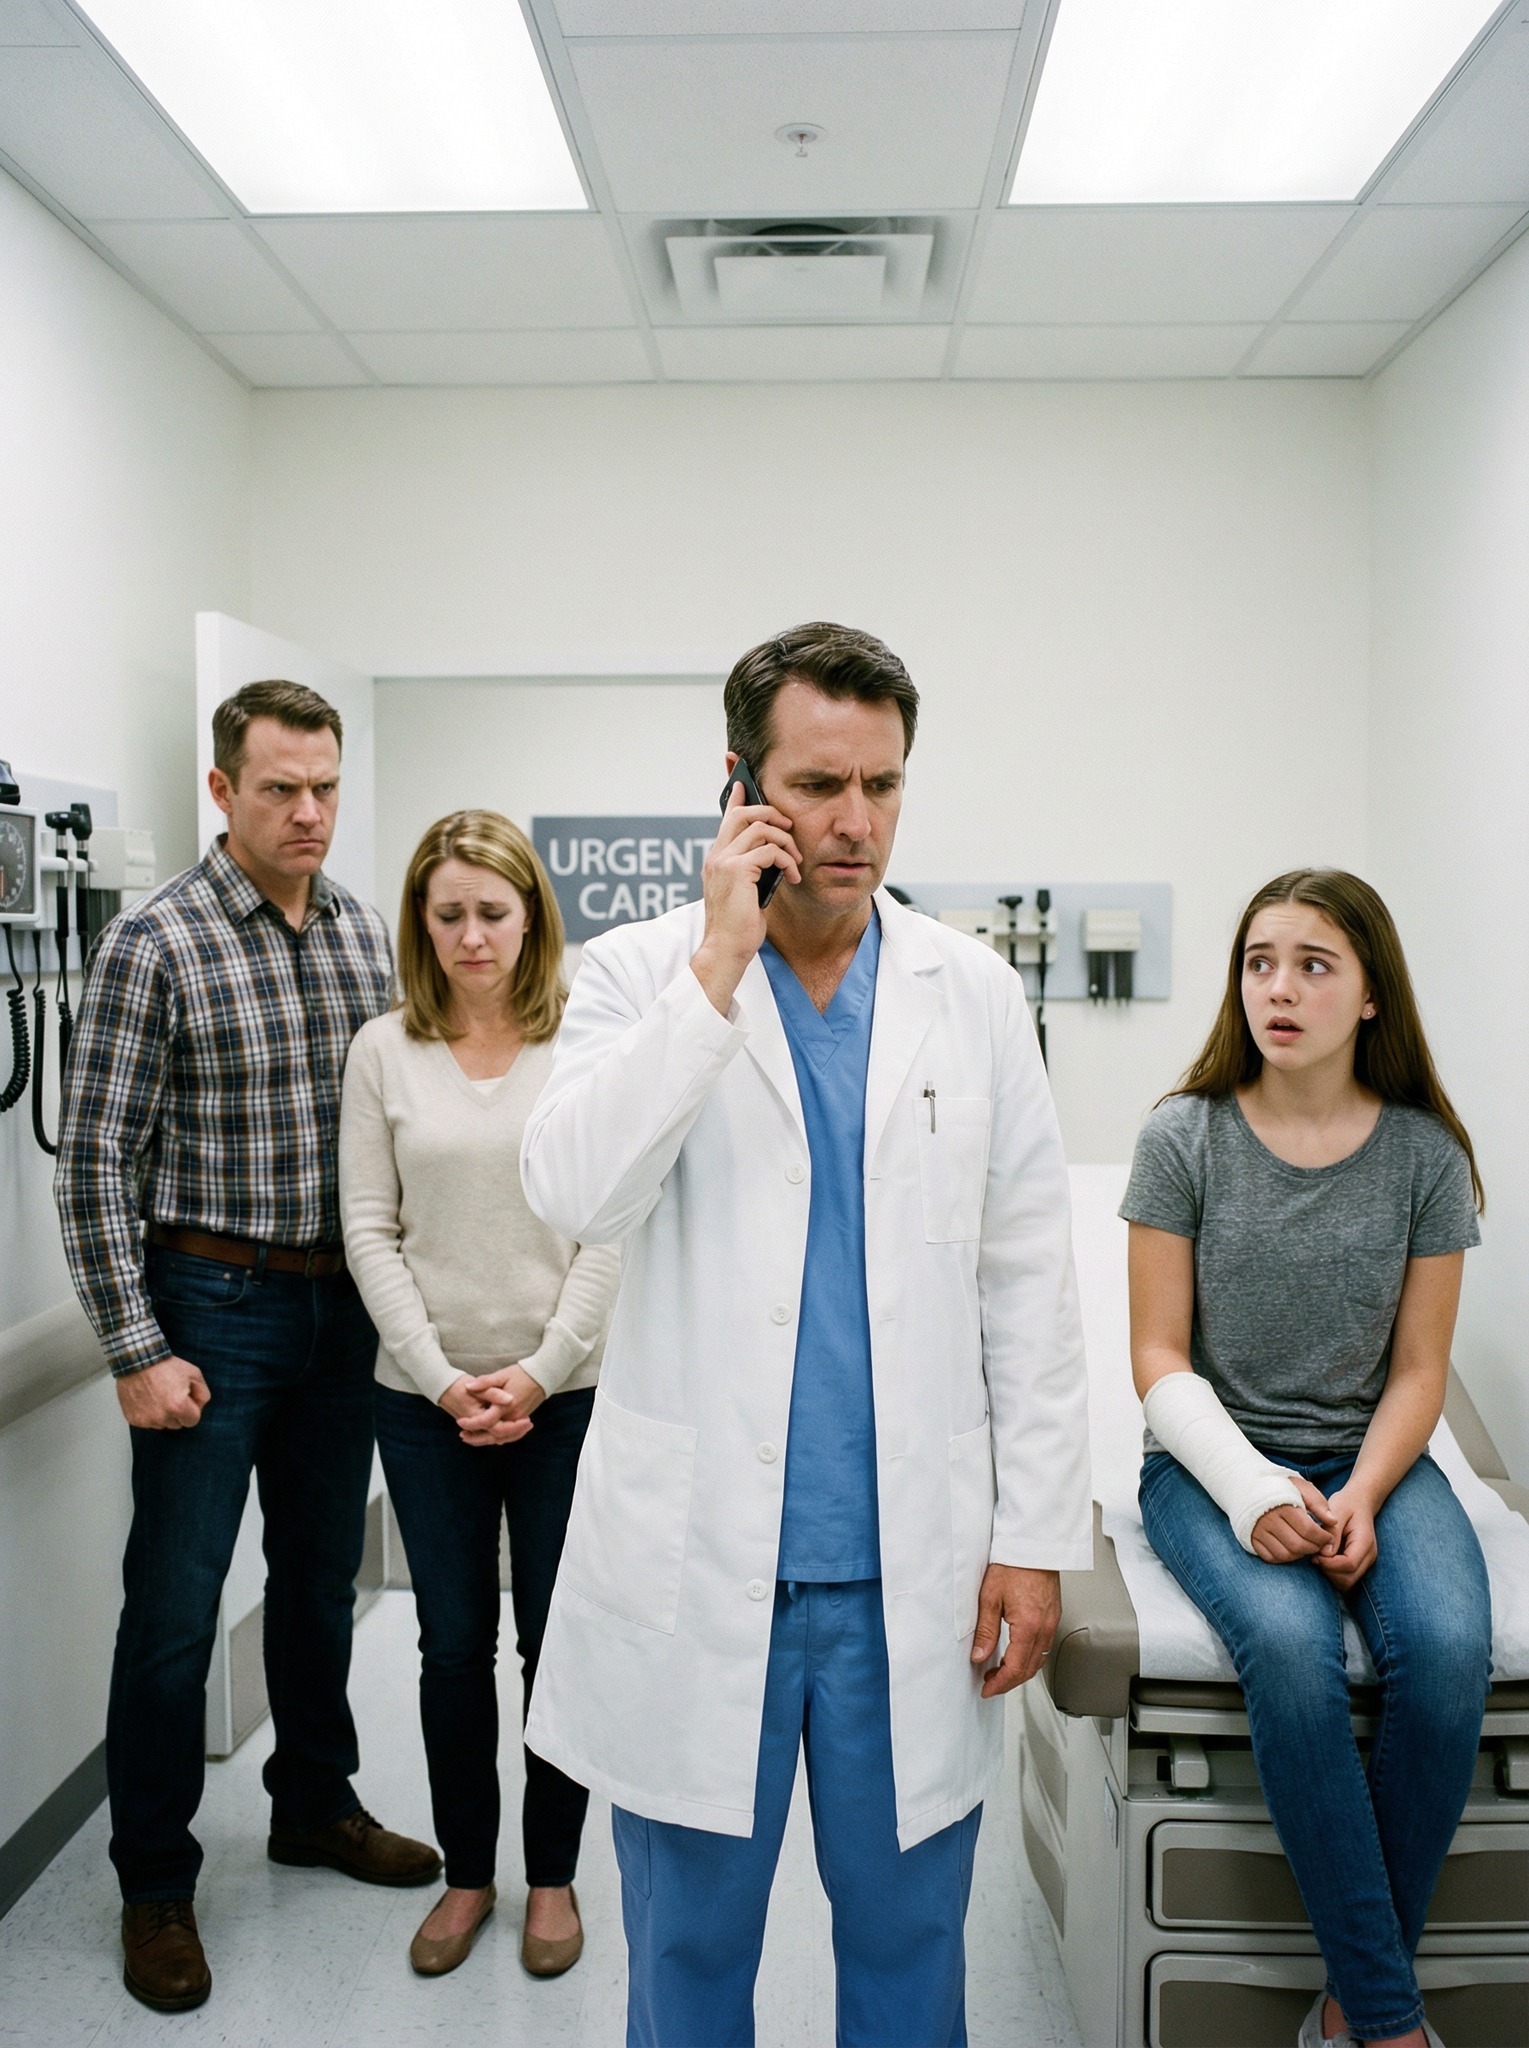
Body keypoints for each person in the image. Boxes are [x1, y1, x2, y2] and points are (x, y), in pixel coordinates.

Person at [519, 622, 1092, 2048]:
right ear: (739, 785)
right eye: (819, 785)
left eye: (881, 786)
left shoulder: (973, 993)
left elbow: (1028, 1279)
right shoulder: (638, 975)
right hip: (701, 1566)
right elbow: (576, 1192)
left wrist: (1033, 1535)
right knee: (689, 1955)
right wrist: (715, 965)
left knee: (908, 1952)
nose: (855, 822)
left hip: (909, 1574)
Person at [54, 680, 439, 2016]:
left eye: (325, 786)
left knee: (320, 1581)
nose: (309, 812)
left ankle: (313, 1802)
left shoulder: (360, 932)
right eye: (280, 788)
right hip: (208, 1306)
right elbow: (94, 1162)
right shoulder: (154, 941)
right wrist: (133, 1346)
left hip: (340, 1311)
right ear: (223, 790)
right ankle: (155, 1881)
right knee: (175, 1608)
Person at [1122, 869, 1490, 2048]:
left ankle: (1348, 1996)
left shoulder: (1425, 1155)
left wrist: (1363, 1495)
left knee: (1446, 1650)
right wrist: (1247, 1489)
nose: (1276, 988)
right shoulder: (1183, 1136)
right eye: (1258, 962)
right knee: (1289, 1650)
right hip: (1207, 1464)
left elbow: (1418, 1372)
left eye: (1312, 964)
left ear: (1370, 993)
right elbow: (1154, 1355)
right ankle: (1382, 2020)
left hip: (1368, 1451)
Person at [339, 810, 620, 1980]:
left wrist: (540, 1368)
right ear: (420, 920)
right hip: (424, 1402)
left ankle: (550, 1875)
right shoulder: (382, 1050)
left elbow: (610, 1223)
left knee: (556, 1641)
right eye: (447, 912)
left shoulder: (586, 1042)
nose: (470, 935)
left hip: (566, 1397)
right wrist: (443, 1376)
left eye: (491, 911)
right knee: (452, 1644)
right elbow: (369, 1228)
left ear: (530, 915)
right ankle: (468, 1872)